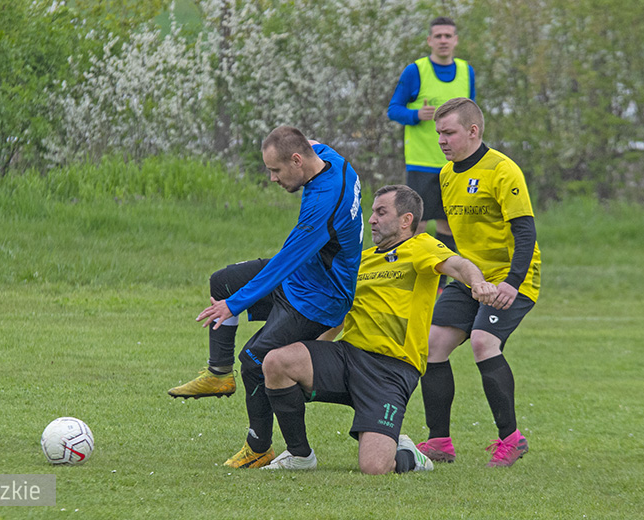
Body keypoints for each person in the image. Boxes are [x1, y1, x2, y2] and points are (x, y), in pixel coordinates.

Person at [261, 185, 498, 473]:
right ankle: (300, 455)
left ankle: (410, 455)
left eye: (381, 212)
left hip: (390, 371)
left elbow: (459, 265)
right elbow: (339, 317)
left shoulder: (420, 246)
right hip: (348, 357)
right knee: (277, 361)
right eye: (372, 212)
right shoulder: (362, 259)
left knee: (374, 468)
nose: (371, 219)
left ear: (405, 220)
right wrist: (311, 350)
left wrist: (479, 283)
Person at [168, 126, 365, 469]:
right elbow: (310, 140)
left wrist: (233, 306)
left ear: (297, 160)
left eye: (275, 170)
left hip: (319, 299)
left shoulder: (322, 204)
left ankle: (265, 448)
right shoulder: (328, 157)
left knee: (256, 361)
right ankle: (218, 373)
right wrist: (230, 297)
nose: (272, 178)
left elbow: (282, 265)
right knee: (222, 281)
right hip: (303, 279)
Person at [417, 97, 541, 468]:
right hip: (472, 277)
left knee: (485, 343)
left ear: (473, 131)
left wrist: (512, 283)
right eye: (438, 133)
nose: (442, 140)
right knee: (432, 346)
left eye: (449, 132)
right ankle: (439, 441)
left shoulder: (503, 170)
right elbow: (451, 237)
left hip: (512, 277)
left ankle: (512, 440)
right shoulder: (445, 175)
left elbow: (526, 232)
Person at [387, 16, 475, 290]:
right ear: (429, 41)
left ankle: (443, 284)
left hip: (456, 164)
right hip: (422, 163)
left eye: (448, 36)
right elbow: (393, 109)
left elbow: (473, 114)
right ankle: (417, 279)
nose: (444, 41)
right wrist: (415, 114)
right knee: (419, 225)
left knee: (450, 226)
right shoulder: (416, 71)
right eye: (438, 36)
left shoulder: (466, 71)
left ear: (456, 40)